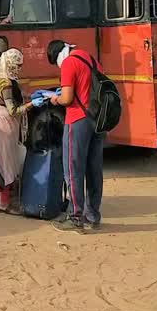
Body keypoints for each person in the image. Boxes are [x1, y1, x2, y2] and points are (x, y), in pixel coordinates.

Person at [47, 40, 105, 233]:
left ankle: (75, 217)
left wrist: (55, 98)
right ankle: (92, 215)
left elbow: (67, 98)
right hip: (97, 120)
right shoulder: (91, 59)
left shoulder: (69, 63)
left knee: (73, 169)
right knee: (94, 169)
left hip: (77, 120)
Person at [0, 49, 38, 214]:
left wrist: (27, 95)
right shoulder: (6, 84)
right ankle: (5, 204)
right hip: (6, 126)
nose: (19, 69)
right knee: (7, 163)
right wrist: (31, 105)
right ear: (9, 64)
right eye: (17, 65)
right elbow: (13, 111)